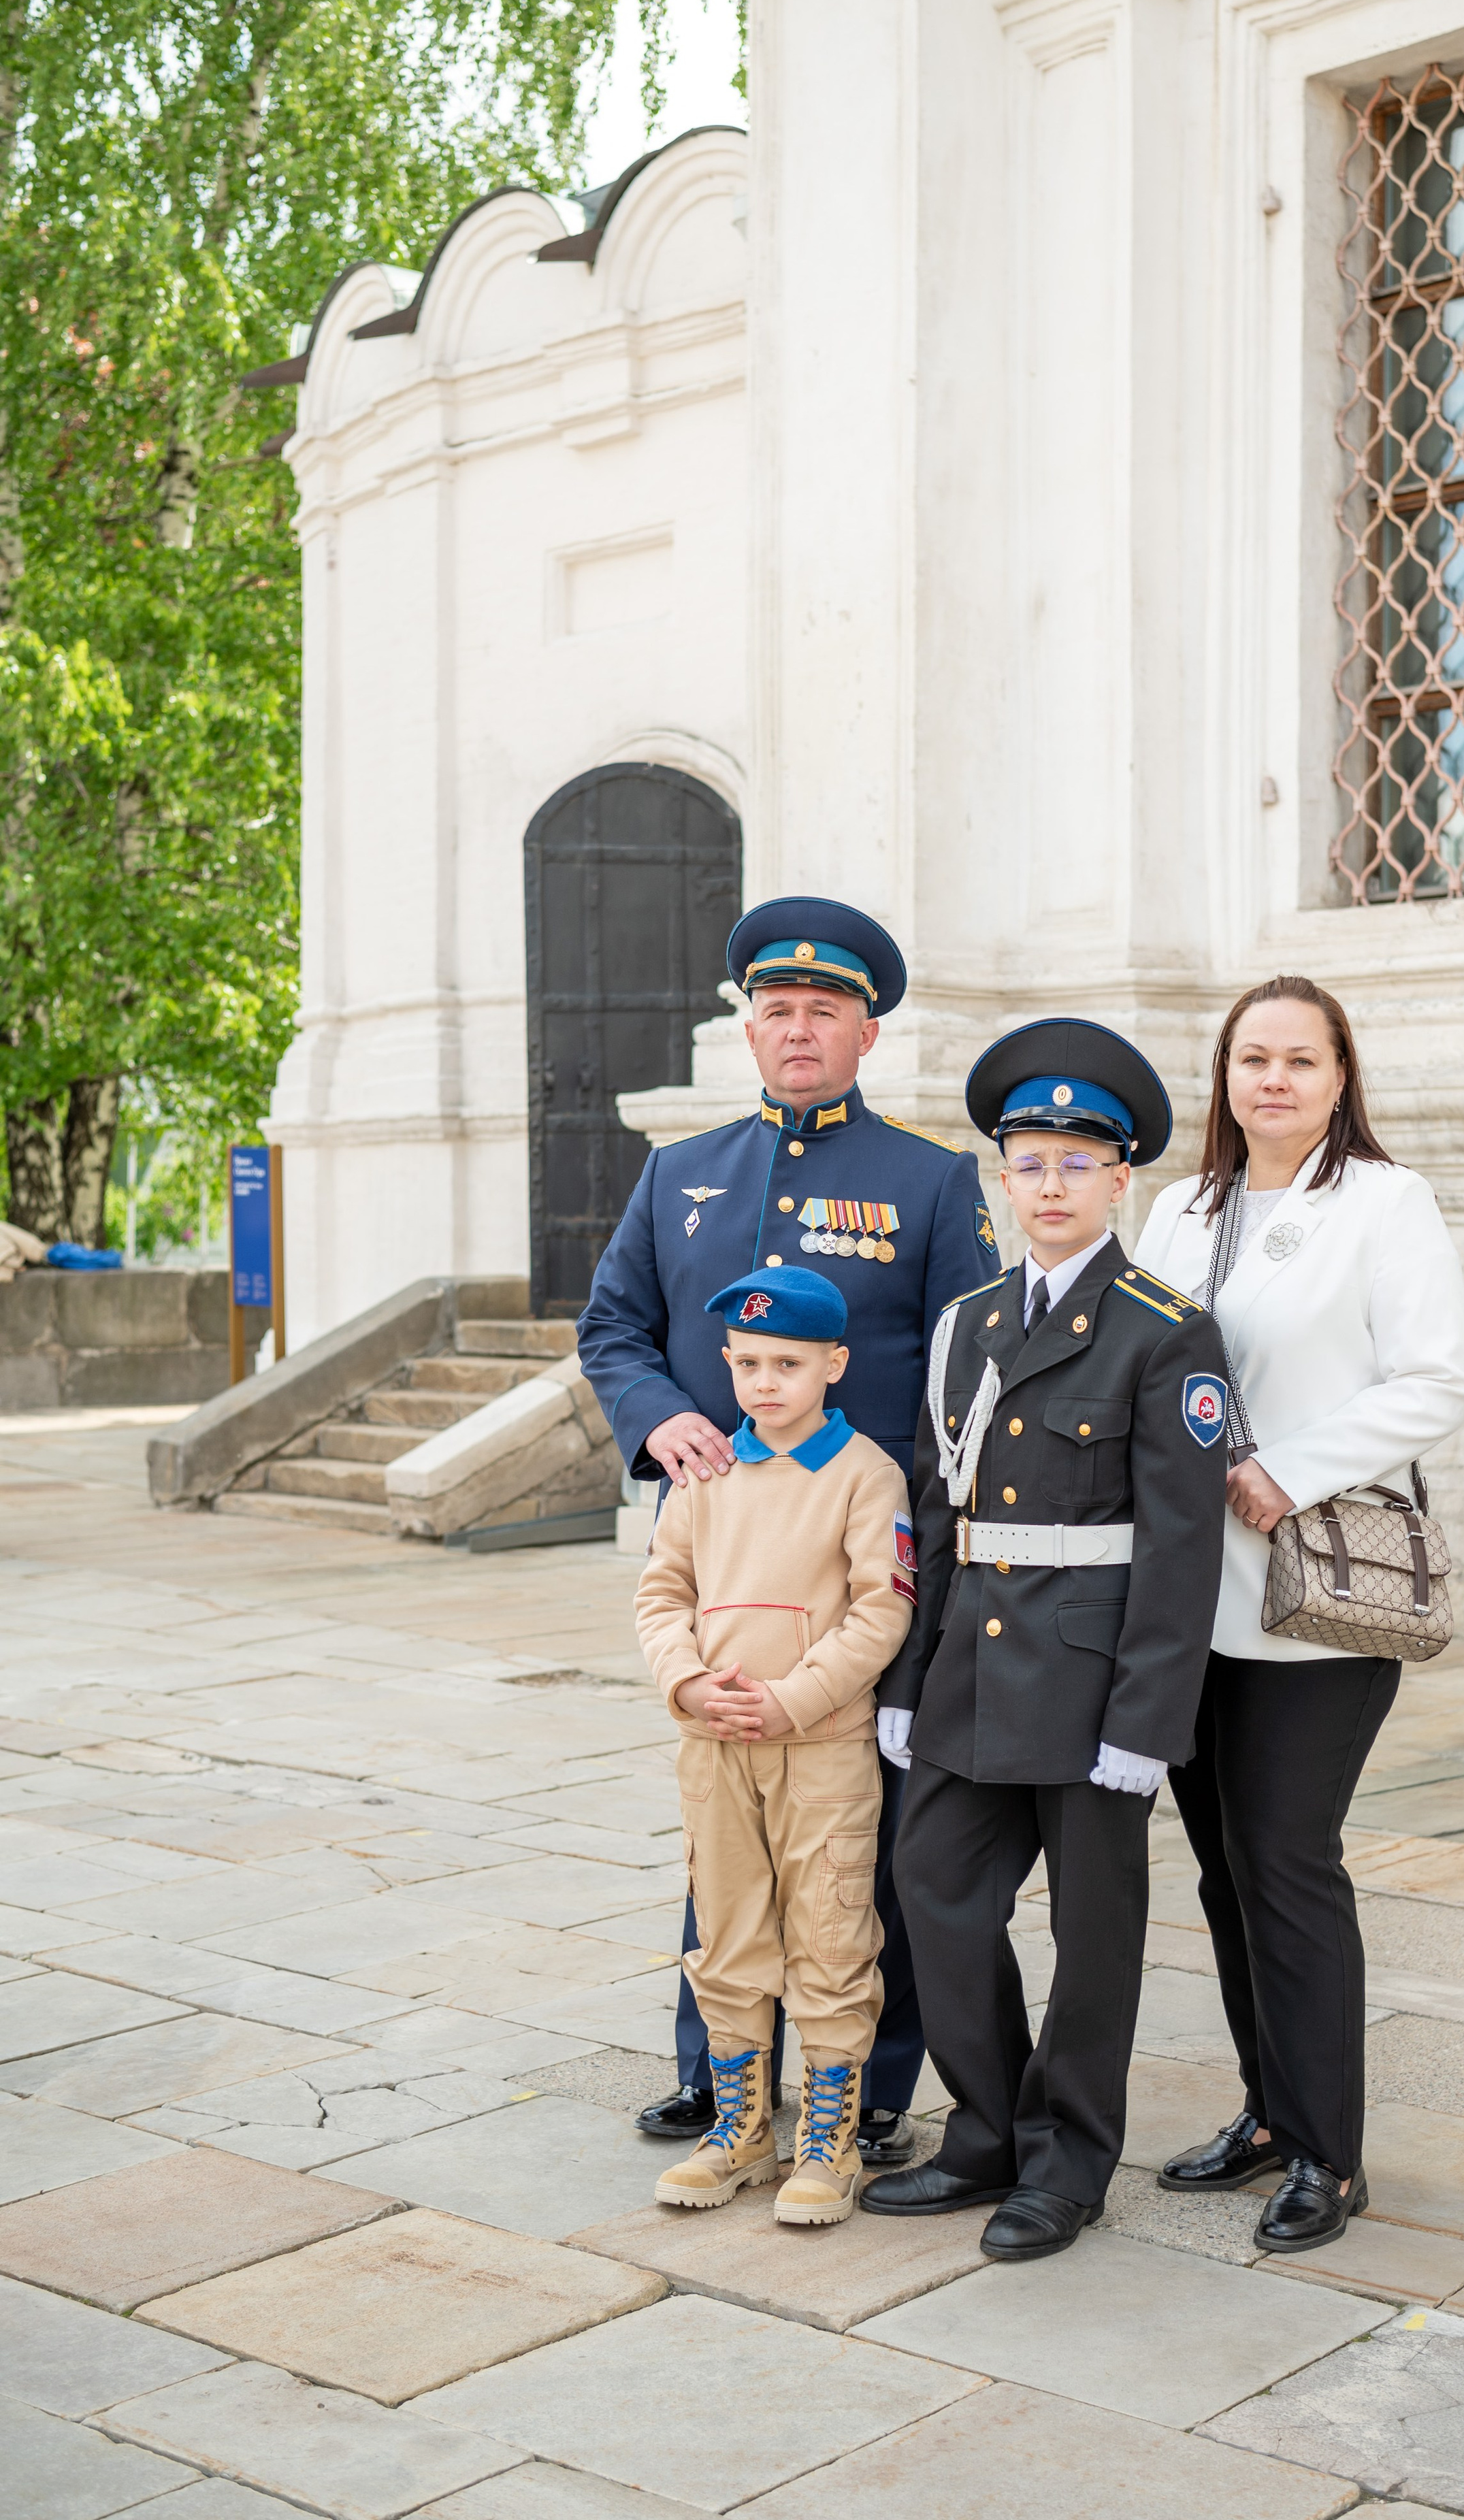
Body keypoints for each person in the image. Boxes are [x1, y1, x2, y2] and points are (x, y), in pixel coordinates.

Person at [577, 896, 999, 2153]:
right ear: (748, 1029)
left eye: (826, 1012)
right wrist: (659, 1420)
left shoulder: (928, 1184)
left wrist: (923, 1547)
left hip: (860, 1563)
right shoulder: (680, 1174)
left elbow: (965, 1368)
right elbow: (614, 1330)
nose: (799, 1030)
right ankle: (720, 2069)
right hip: (722, 1561)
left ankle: (865, 2086)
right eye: (778, 1012)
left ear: (867, 1035)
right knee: (726, 1821)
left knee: (860, 1830)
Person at [862, 1020, 1229, 2262]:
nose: (1053, 1183)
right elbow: (936, 1513)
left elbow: (1184, 1550)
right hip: (968, 1665)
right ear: (1002, 1178)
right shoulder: (967, 1323)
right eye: (1031, 1161)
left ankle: (1067, 2162)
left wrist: (1149, 1723)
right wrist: (908, 1679)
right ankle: (985, 2134)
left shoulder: (1163, 1329)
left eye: (1079, 1160)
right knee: (938, 1894)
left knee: (1094, 1935)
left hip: (1089, 1685)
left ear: (1122, 1178)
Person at [1135, 975, 1464, 2254]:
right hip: (1185, 1598)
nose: (1273, 1080)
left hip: (1312, 1598)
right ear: (1223, 1078)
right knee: (1223, 1871)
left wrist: (1291, 1469)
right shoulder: (1181, 1207)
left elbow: (1436, 1378)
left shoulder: (1384, 1203)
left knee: (1287, 1861)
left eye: (1301, 1061)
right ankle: (1268, 2114)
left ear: (1341, 1079)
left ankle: (1330, 2152)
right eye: (1252, 1060)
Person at [636, 1265, 913, 2225]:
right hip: (714, 1746)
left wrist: (793, 1699)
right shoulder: (703, 1478)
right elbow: (662, 1593)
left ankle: (828, 2139)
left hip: (821, 1750)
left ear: (833, 1364)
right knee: (728, 1934)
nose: (765, 1383)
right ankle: (741, 2128)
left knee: (832, 1935)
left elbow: (882, 1612)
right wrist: (686, 1680)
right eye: (748, 1363)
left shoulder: (866, 1476)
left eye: (788, 1364)